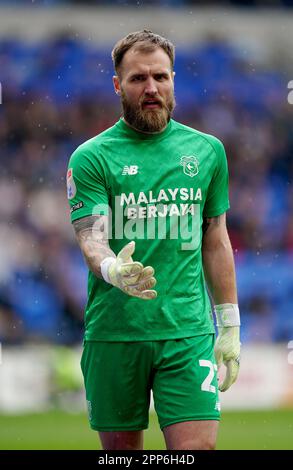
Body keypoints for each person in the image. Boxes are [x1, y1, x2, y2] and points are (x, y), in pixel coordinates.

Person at [66, 30, 241, 450]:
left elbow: (215, 237)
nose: (151, 89)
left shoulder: (207, 151)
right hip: (115, 332)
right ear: (116, 85)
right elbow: (91, 236)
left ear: (173, 79)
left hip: (186, 332)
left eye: (160, 77)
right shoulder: (91, 157)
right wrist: (113, 268)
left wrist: (230, 323)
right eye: (138, 79)